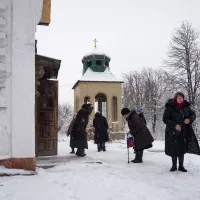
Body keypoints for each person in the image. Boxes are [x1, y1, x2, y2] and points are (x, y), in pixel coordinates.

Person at [163, 92, 200, 172]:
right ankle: (174, 166)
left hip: (183, 131)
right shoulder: (170, 107)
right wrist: (174, 125)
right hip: (172, 131)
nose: (180, 99)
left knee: (182, 147)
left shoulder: (186, 107)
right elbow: (165, 119)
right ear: (175, 98)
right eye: (178, 98)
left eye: (181, 98)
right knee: (174, 147)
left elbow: (193, 114)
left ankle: (181, 166)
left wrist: (189, 119)